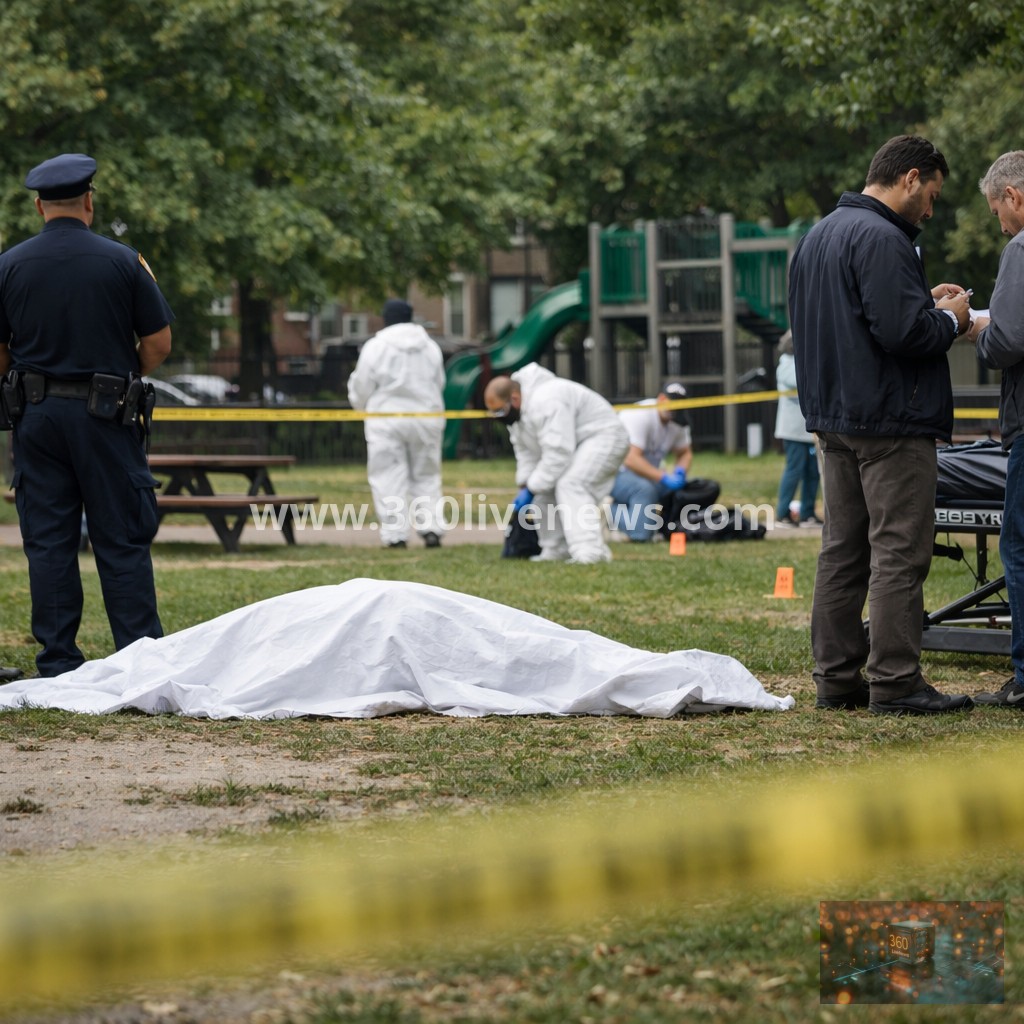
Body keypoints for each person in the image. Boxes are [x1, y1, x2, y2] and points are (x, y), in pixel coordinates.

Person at [788, 134, 973, 716]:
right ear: (910, 178)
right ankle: (895, 682)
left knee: (842, 551)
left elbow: (857, 319)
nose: (931, 211)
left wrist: (922, 301)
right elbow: (903, 334)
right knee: (898, 551)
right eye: (932, 195)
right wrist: (950, 320)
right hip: (892, 420)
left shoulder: (817, 236)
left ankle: (836, 679)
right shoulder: (886, 237)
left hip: (833, 419)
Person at [0, 153, 174, 677]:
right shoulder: (123, 261)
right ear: (89, 202)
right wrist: (120, 377)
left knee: (49, 541)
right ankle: (138, 659)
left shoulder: (9, 265)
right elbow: (159, 343)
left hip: (36, 417)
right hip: (106, 416)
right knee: (121, 535)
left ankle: (59, 663)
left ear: (39, 206)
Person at [969, 151, 1024, 707]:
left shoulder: (1021, 249)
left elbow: (1008, 341)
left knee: (1020, 545)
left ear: (1014, 196)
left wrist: (975, 329)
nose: (1000, 226)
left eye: (996, 212)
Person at [483, 363, 629, 564]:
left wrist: (532, 487)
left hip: (604, 436)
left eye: (499, 412)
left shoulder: (546, 400)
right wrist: (525, 484)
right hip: (577, 443)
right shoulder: (518, 415)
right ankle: (556, 549)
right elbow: (527, 453)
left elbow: (558, 453)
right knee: (542, 490)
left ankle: (591, 552)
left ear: (514, 399)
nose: (498, 418)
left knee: (572, 484)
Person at [347, 298, 446, 549]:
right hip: (426, 418)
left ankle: (396, 535)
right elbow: (439, 383)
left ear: (385, 318)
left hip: (386, 419)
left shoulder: (376, 347)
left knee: (387, 476)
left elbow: (362, 385)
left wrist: (360, 405)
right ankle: (431, 528)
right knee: (426, 474)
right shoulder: (430, 347)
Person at [609, 382, 700, 541]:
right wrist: (663, 477)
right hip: (615, 473)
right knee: (645, 492)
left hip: (646, 475)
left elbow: (685, 453)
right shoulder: (640, 415)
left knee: (687, 489)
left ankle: (660, 524)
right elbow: (631, 459)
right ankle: (609, 511)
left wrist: (680, 472)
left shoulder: (679, 420)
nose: (674, 413)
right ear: (662, 399)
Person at [772, 331, 821, 527]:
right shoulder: (786, 364)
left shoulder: (803, 362)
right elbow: (798, 381)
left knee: (813, 472)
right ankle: (783, 513)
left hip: (809, 430)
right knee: (794, 470)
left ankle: (807, 513)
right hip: (792, 430)